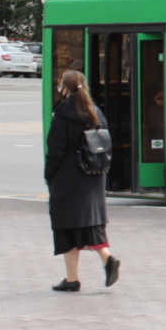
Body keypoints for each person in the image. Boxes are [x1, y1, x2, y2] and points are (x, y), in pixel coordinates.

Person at [45, 70, 120, 292]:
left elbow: (55, 150)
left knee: (66, 226)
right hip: (94, 176)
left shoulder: (62, 114)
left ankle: (72, 279)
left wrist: (49, 175)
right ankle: (107, 259)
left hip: (69, 177)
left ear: (65, 88)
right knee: (91, 222)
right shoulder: (95, 111)